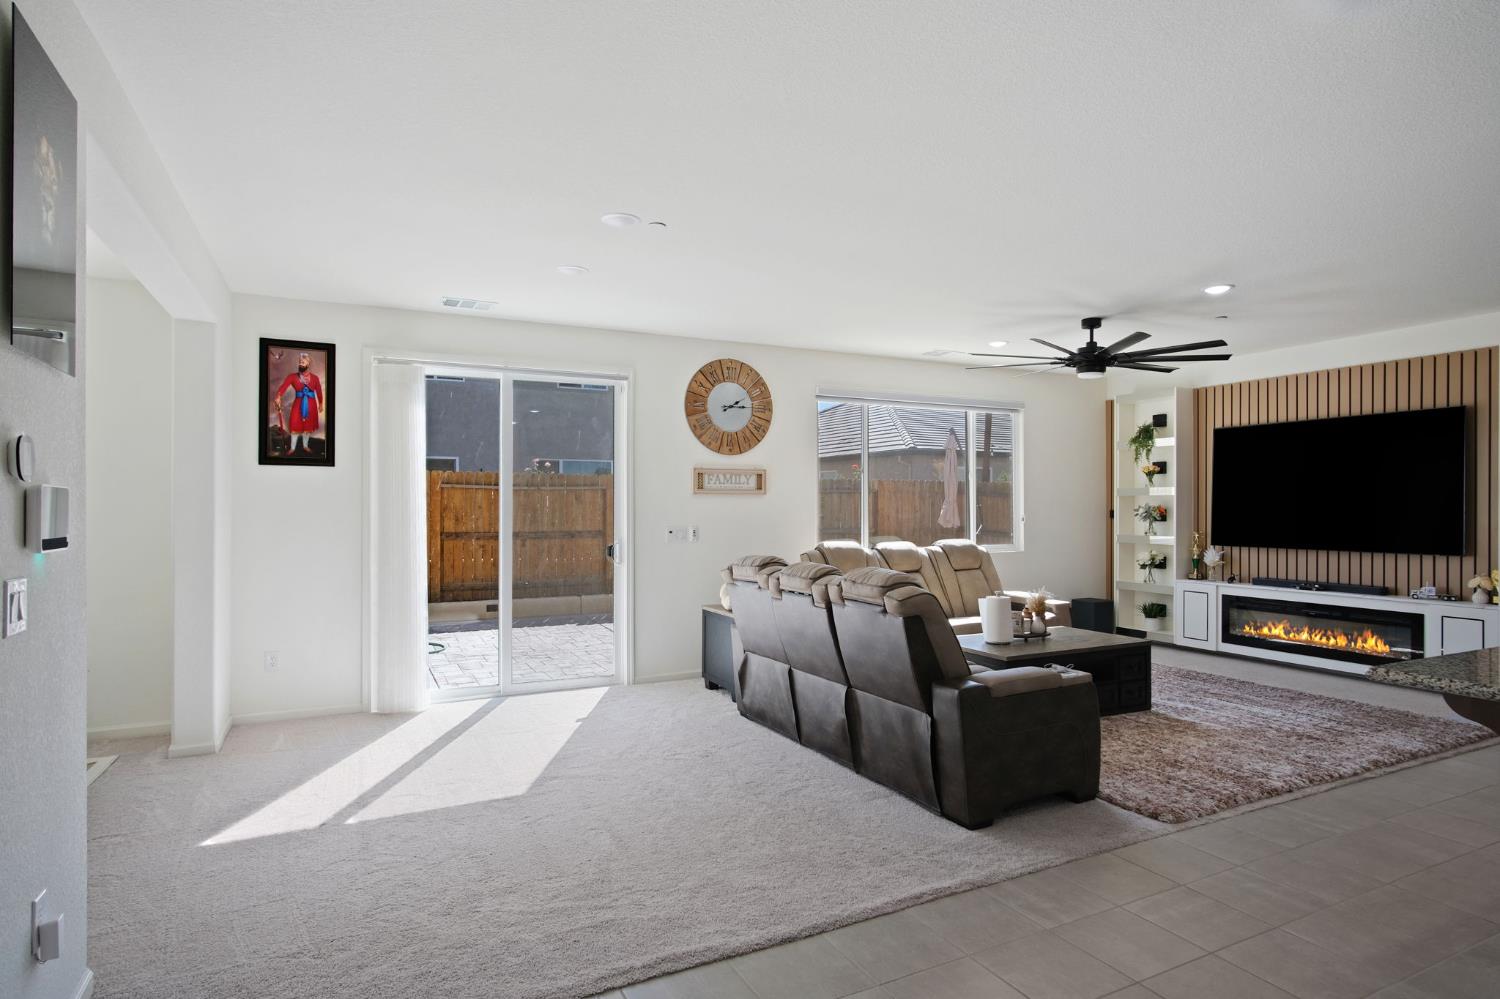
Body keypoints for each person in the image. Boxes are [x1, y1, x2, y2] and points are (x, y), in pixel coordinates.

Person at [271, 352, 325, 456]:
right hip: (298, 404)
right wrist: (278, 396)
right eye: (300, 362)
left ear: (308, 364)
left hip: (311, 405)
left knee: (307, 429)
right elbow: (283, 387)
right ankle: (292, 448)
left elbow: (318, 391)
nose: (301, 364)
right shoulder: (292, 377)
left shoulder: (315, 378)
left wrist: (321, 403)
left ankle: (305, 446)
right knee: (295, 427)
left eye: (303, 362)